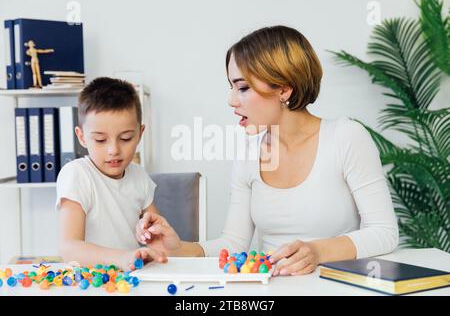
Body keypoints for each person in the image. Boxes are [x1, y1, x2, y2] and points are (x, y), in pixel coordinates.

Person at [136, 25, 399, 276]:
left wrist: (317, 251)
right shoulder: (249, 152)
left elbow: (384, 232)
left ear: (284, 88)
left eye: (243, 88)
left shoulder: (346, 137)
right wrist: (179, 248)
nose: (231, 100)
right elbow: (233, 243)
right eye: (231, 87)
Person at [57, 77, 175, 271]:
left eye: (126, 138)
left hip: (128, 280)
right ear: (82, 137)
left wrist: (152, 237)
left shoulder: (139, 176)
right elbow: (69, 248)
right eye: (101, 140)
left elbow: (157, 238)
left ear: (140, 134)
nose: (113, 150)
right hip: (88, 282)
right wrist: (122, 258)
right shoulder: (77, 174)